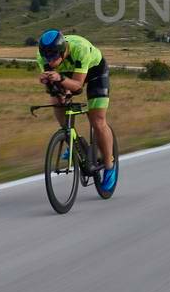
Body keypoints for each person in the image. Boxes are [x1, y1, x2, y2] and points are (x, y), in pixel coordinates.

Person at [36, 29, 116, 192]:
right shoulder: (42, 57)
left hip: (94, 72)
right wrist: (55, 88)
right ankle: (73, 140)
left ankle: (109, 165)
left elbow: (78, 86)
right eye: (46, 58)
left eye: (52, 57)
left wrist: (61, 80)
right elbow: (53, 87)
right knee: (57, 102)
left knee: (97, 121)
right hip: (66, 72)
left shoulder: (80, 48)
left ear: (62, 51)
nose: (49, 62)